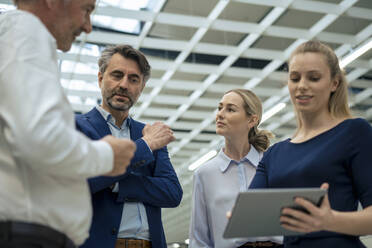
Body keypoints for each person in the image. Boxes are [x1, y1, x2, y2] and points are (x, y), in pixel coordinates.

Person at [0, 1, 136, 248]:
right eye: (86, 9)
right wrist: (107, 155)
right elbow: (39, 138)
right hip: (26, 235)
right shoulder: (25, 30)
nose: (88, 26)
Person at [249, 40, 372, 247]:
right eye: (294, 78)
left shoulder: (354, 132)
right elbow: (249, 213)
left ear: (335, 83)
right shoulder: (274, 154)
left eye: (313, 78)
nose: (302, 85)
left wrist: (331, 220)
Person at [76, 44, 183, 248]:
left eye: (133, 79)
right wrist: (145, 146)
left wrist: (117, 184)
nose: (124, 85)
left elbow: (172, 192)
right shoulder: (77, 127)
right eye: (117, 75)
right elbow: (84, 180)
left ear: (141, 88)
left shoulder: (149, 132)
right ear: (100, 78)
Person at [189, 89, 283, 248]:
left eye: (230, 109)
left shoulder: (273, 164)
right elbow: (199, 240)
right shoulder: (204, 174)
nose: (220, 114)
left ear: (252, 120)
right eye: (220, 108)